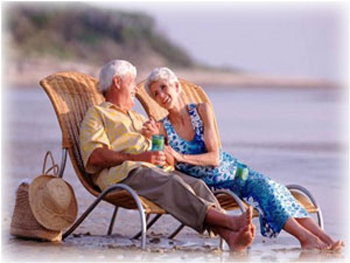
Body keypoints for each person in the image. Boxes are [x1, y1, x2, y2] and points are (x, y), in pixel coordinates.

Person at [143, 67, 345, 251]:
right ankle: (305, 238)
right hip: (212, 185)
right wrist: (154, 141)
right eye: (155, 94)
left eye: (163, 87)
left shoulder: (202, 110)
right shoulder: (161, 128)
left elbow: (214, 157)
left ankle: (325, 239)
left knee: (273, 187)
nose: (161, 95)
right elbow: (165, 165)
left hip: (234, 170)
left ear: (176, 87)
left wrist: (179, 156)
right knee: (263, 189)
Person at [79, 60, 256, 251]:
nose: (135, 90)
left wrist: (155, 140)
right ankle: (230, 222)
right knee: (172, 184)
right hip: (124, 175)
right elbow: (95, 156)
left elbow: (159, 148)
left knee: (197, 184)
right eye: (132, 83)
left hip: (155, 170)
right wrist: (141, 158)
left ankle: (230, 237)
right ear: (117, 82)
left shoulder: (138, 118)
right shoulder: (97, 114)